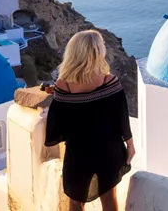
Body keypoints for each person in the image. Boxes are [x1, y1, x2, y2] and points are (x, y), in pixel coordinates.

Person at [45, 30, 135, 211]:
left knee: (76, 200)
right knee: (109, 198)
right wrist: (130, 147)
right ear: (96, 52)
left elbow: (58, 122)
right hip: (108, 149)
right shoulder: (110, 81)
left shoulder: (64, 85)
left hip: (79, 151)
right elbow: (121, 119)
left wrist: (58, 94)